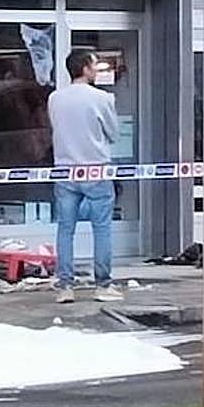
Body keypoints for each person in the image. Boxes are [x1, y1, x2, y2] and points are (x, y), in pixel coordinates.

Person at [47, 48, 123, 304]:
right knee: (101, 227)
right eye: (94, 65)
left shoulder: (55, 98)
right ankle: (103, 283)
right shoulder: (102, 98)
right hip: (96, 168)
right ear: (85, 68)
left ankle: (65, 286)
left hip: (65, 168)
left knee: (65, 228)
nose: (97, 69)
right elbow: (113, 133)